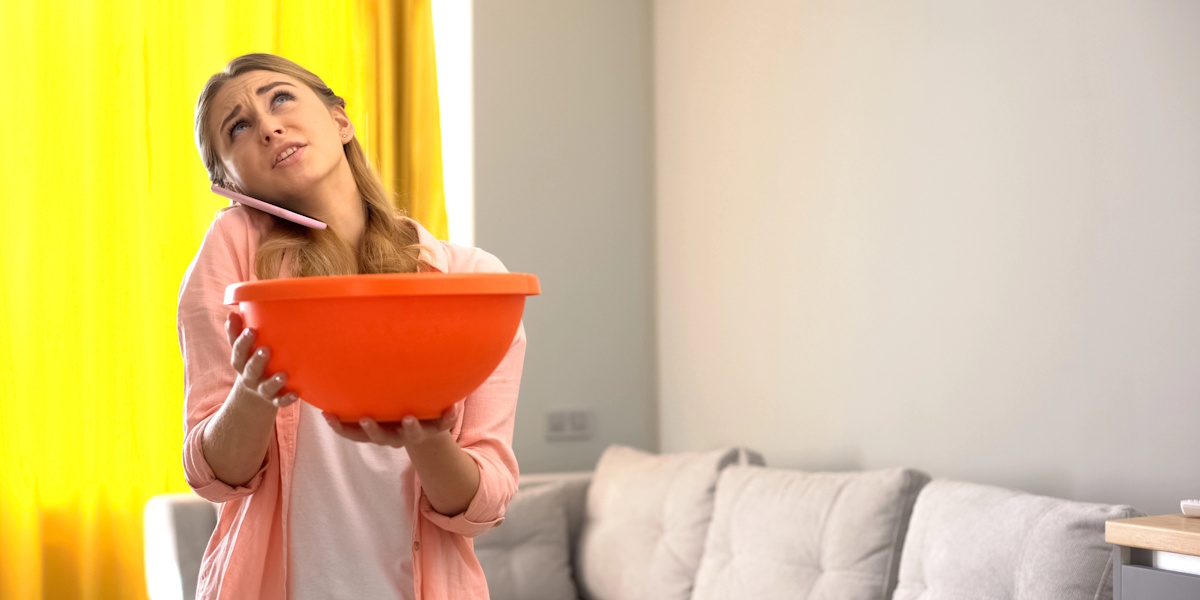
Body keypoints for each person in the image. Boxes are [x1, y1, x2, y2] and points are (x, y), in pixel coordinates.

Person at [177, 53, 524, 600]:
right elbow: (213, 474)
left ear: (340, 121)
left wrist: (428, 437)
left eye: (281, 98)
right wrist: (252, 392)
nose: (268, 126)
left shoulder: (473, 279)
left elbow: (484, 504)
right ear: (229, 181)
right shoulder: (232, 254)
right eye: (238, 126)